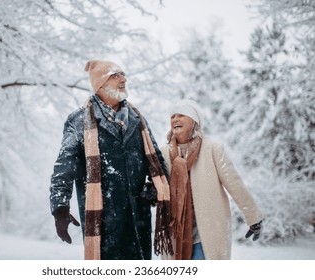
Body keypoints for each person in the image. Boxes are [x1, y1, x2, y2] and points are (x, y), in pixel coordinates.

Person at [49, 60, 172, 260]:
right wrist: (60, 208)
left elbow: (156, 158)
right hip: (103, 220)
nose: (123, 79)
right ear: (100, 84)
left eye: (123, 74)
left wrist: (154, 189)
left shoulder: (137, 119)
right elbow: (64, 167)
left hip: (137, 217)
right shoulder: (79, 120)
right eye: (115, 75)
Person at [161, 99, 263, 260]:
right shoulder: (165, 153)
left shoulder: (212, 149)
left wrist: (253, 216)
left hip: (208, 233)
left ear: (194, 121)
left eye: (181, 115)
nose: (175, 119)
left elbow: (234, 183)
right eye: (172, 116)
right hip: (177, 235)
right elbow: (160, 188)